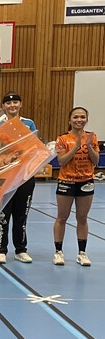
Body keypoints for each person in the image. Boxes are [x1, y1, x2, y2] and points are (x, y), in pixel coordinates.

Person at [0, 92, 37, 264]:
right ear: (3, 106)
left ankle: (21, 249)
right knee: (2, 215)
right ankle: (0, 249)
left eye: (15, 102)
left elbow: (34, 146)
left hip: (25, 176)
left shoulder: (28, 123)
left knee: (21, 215)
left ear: (20, 104)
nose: (12, 106)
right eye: (8, 103)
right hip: (5, 176)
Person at [53, 106, 99, 266]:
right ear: (70, 120)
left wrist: (89, 146)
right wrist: (76, 146)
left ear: (86, 120)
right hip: (66, 181)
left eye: (82, 117)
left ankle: (82, 253)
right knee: (62, 217)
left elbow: (96, 161)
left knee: (82, 218)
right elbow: (61, 161)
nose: (79, 120)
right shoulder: (62, 139)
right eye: (76, 117)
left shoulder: (92, 137)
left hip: (86, 182)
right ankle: (58, 252)